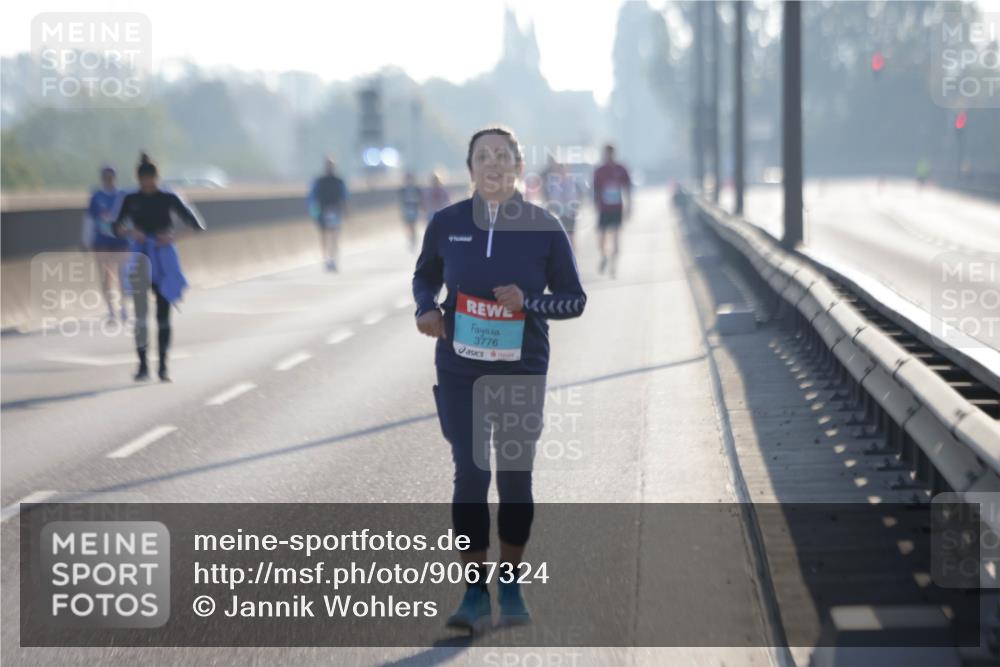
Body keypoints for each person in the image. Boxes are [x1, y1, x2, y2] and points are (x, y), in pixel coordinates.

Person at [413, 127, 586, 632]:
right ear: (470, 168)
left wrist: (527, 302)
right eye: (483, 156)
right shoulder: (445, 224)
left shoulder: (544, 226)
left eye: (503, 156)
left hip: (521, 366)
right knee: (470, 474)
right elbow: (425, 275)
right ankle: (473, 591)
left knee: (514, 478)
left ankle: (509, 581)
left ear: (518, 166)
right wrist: (426, 308)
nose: (493, 164)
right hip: (460, 365)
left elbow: (574, 300)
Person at [114, 153, 205, 382]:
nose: (147, 185)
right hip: (140, 255)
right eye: (144, 181)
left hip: (163, 257)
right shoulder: (130, 199)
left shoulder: (168, 197)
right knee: (141, 314)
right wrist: (130, 232)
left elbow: (197, 225)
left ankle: (163, 366)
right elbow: (115, 227)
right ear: (138, 179)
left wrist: (173, 237)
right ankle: (143, 365)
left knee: (163, 315)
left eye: (151, 180)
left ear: (157, 178)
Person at [82, 164, 129, 321]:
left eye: (111, 177)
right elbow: (89, 220)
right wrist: (86, 241)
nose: (109, 180)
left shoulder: (123, 196)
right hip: (101, 241)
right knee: (105, 276)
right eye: (106, 178)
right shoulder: (96, 197)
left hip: (120, 241)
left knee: (122, 275)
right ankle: (111, 310)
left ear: (115, 178)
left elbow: (130, 219)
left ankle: (124, 307)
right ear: (102, 179)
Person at [592, 143, 632, 278]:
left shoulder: (620, 169)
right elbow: (595, 189)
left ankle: (613, 265)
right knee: (601, 238)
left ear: (614, 154)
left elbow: (627, 188)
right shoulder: (599, 170)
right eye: (606, 154)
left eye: (611, 154)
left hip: (616, 208)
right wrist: (595, 204)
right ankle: (604, 256)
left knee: (615, 236)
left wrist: (629, 205)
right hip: (604, 208)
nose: (609, 156)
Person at [307, 157, 348, 271]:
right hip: (323, 211)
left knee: (334, 236)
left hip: (335, 211)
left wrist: (346, 211)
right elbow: (312, 198)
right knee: (324, 236)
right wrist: (314, 212)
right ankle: (326, 259)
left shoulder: (339, 181)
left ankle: (333, 259)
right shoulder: (319, 181)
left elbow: (344, 197)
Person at [542, 159, 583, 251]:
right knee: (559, 236)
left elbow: (579, 195)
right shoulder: (553, 183)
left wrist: (576, 206)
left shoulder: (572, 181)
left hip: (569, 212)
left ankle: (572, 254)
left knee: (571, 235)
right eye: (559, 170)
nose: (561, 172)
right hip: (558, 213)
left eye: (563, 169)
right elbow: (548, 197)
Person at [399, 171, 423, 251]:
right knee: (408, 225)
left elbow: (420, 199)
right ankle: (411, 238)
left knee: (413, 225)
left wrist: (420, 208)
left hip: (414, 208)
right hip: (406, 209)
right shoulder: (402, 189)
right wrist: (402, 211)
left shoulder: (416, 188)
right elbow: (401, 201)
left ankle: (414, 238)